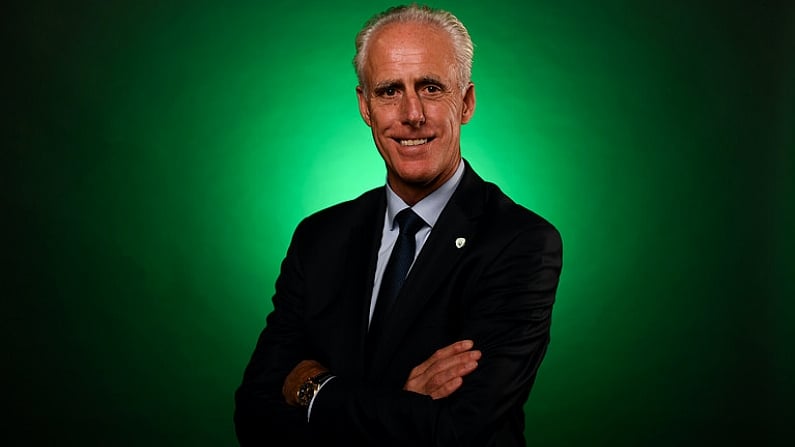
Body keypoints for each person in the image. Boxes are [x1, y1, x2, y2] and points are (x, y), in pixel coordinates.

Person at [234, 4, 563, 446]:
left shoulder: (521, 243)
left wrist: (314, 389)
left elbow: (456, 431)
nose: (412, 114)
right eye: (389, 91)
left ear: (465, 102)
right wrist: (401, 403)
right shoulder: (318, 238)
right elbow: (254, 416)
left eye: (430, 87)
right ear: (365, 106)